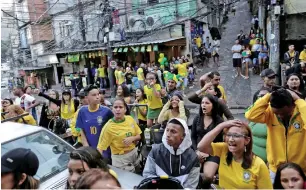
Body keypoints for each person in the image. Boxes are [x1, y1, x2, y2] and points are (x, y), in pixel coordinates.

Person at [245, 88, 306, 181]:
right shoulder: (270, 112)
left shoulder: (301, 111)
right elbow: (250, 115)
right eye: (277, 113)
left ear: (293, 105)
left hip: (301, 169)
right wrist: (268, 96)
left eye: (284, 113)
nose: (280, 115)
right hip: (276, 170)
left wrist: (299, 100)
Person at [197, 120, 273, 189]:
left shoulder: (259, 165)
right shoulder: (224, 149)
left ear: (246, 140)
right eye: (228, 135)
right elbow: (201, 147)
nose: (231, 139)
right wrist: (221, 126)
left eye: (236, 136)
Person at [143, 118, 200, 189]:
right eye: (167, 130)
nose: (168, 135)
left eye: (173, 131)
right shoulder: (156, 151)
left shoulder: (193, 158)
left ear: (183, 136)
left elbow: (190, 186)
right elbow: (148, 175)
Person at [97, 99, 142, 172]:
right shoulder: (108, 127)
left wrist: (132, 138)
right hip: (121, 160)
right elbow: (100, 148)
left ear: (125, 109)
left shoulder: (130, 119)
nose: (118, 109)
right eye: (115, 107)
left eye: (120, 107)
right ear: (112, 109)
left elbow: (139, 136)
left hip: (134, 154)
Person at [191, 94, 224, 187]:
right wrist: (196, 151)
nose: (203, 105)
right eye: (202, 103)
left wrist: (208, 153)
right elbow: (193, 137)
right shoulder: (197, 118)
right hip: (197, 151)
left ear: (213, 105)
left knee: (208, 176)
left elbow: (220, 141)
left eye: (207, 103)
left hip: (212, 153)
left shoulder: (219, 121)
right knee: (192, 174)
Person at [75, 85, 113, 160]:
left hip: (105, 151)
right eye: (94, 95)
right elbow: (81, 130)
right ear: (87, 97)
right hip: (90, 150)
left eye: (98, 94)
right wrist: (87, 148)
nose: (97, 97)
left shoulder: (107, 111)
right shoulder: (82, 111)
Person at [249, 88, 270, 163]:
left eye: (267, 96)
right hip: (252, 159)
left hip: (268, 161)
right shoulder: (253, 114)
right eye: (261, 96)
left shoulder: (274, 115)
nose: (264, 98)